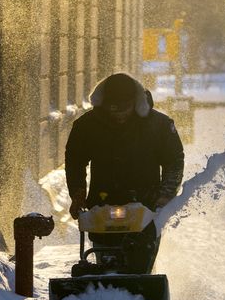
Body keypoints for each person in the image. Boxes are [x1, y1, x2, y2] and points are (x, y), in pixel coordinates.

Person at [65, 72, 184, 274]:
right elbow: (74, 160)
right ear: (103, 104)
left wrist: (166, 193)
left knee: (140, 265)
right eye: (113, 110)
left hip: (146, 206)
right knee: (105, 264)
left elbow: (174, 160)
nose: (119, 115)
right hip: (102, 205)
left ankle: (141, 291)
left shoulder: (159, 125)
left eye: (124, 109)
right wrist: (77, 193)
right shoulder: (87, 126)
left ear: (135, 103)